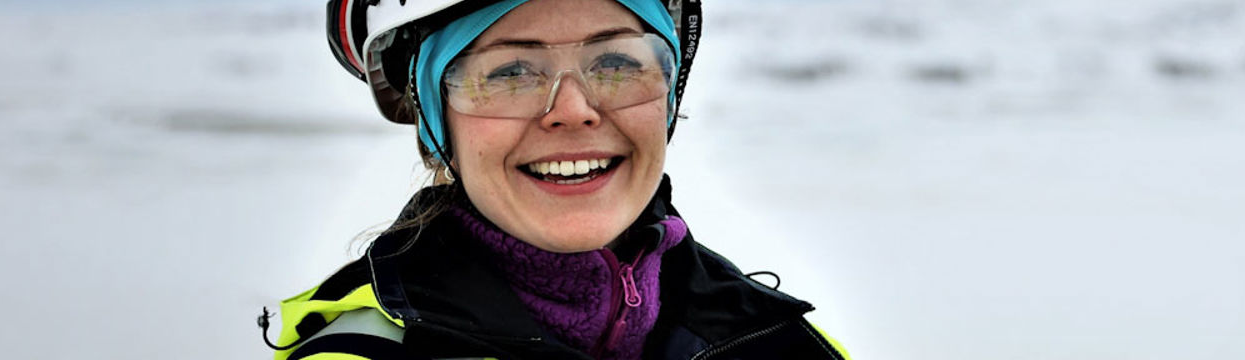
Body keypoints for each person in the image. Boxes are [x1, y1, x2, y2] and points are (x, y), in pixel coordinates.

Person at [260, 0, 849, 358]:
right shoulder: (360, 355)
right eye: (511, 71)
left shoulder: (782, 345)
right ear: (439, 129)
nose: (573, 109)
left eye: (617, 62)